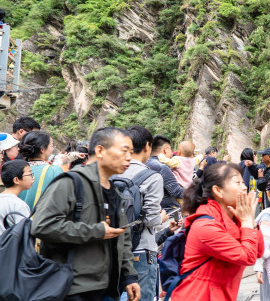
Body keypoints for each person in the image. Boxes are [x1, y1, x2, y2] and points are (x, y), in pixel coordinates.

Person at [31, 127, 141, 301]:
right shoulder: (71, 183)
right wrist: (96, 231)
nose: (129, 157)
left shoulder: (115, 192)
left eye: (131, 152)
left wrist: (129, 276)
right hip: (73, 289)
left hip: (107, 289)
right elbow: (42, 225)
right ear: (100, 150)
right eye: (124, 151)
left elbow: (123, 238)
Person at [170, 162, 264, 301]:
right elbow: (247, 256)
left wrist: (250, 221)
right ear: (218, 191)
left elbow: (258, 251)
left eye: (243, 182)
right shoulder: (205, 226)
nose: (244, 188)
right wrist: (246, 222)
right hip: (198, 295)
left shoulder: (235, 218)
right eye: (237, 183)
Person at [118, 130, 166, 301]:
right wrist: (163, 218)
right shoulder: (152, 177)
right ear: (147, 146)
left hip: (112, 248)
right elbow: (152, 219)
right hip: (141, 249)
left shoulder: (112, 172)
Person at [135, 127, 183, 209]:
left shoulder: (142, 163)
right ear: (165, 150)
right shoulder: (162, 167)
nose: (172, 154)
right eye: (171, 150)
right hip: (167, 212)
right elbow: (177, 192)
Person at [17, 130, 63, 210]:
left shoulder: (16, 169)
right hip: (40, 220)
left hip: (16, 220)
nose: (52, 149)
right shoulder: (54, 170)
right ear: (42, 149)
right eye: (52, 146)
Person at [0, 160, 33, 233]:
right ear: (16, 180)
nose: (33, 178)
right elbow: (26, 232)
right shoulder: (18, 205)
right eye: (30, 174)